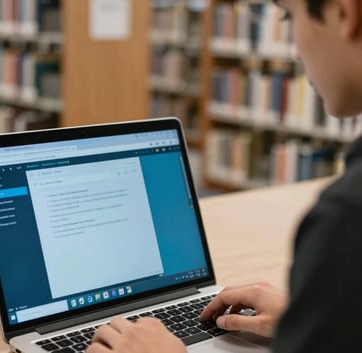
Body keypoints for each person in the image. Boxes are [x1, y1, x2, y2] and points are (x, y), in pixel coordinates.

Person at [87, 0, 362, 352]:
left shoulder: (348, 219)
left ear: (344, 13)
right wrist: (309, 321)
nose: (295, 51)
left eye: (290, 17)